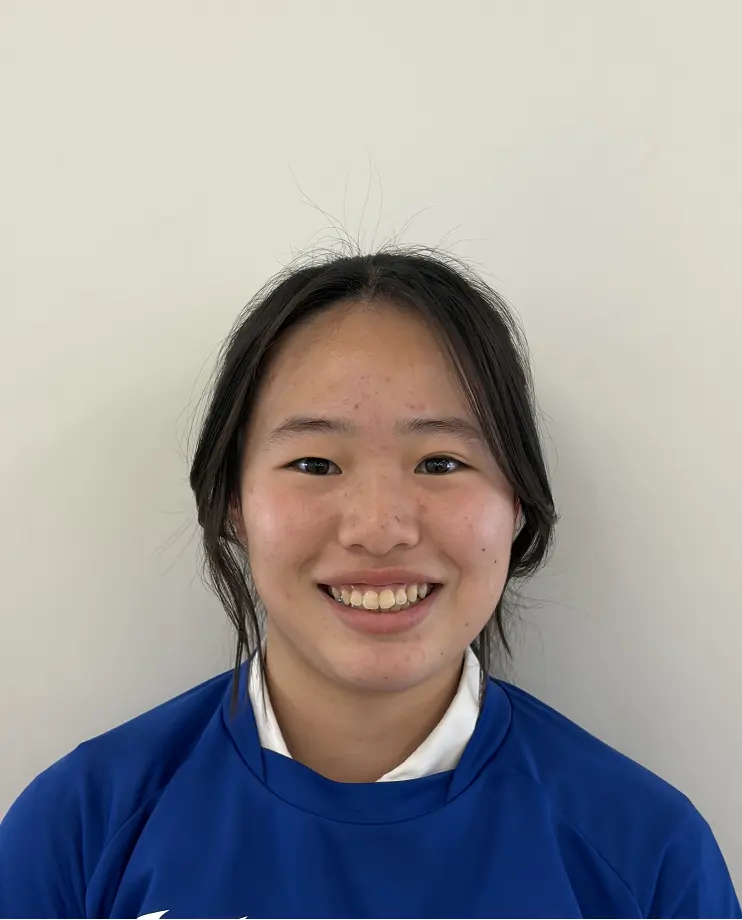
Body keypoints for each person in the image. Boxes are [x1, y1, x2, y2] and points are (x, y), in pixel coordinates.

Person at [0, 246, 739, 919]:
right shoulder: (80, 829)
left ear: (517, 503)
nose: (379, 528)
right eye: (315, 464)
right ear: (234, 505)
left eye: (441, 463)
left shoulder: (646, 856)